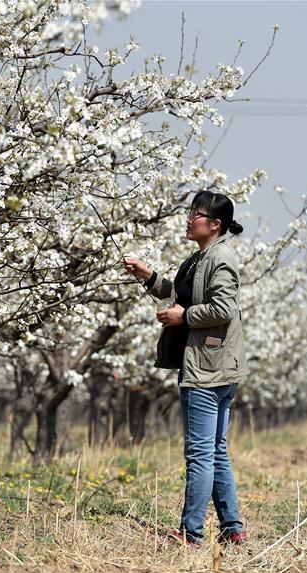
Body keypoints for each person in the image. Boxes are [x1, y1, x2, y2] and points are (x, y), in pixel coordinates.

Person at [123, 190, 248, 548]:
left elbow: (222, 308)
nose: (189, 218)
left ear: (215, 224)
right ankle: (233, 528)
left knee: (199, 453)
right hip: (217, 367)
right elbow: (182, 295)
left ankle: (191, 535)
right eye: (190, 211)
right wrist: (148, 276)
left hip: (206, 370)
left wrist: (183, 317)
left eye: (196, 213)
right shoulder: (200, 258)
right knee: (216, 450)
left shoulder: (220, 258)